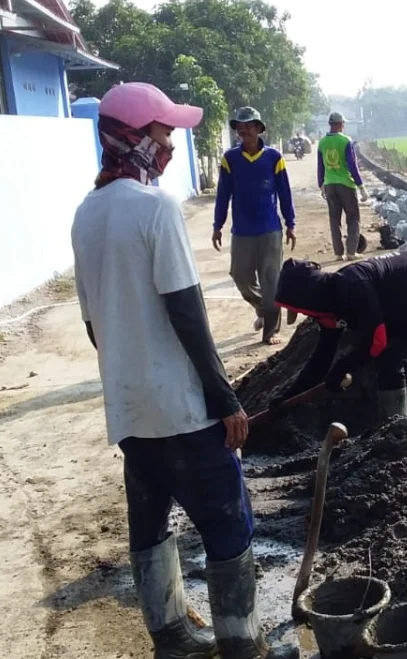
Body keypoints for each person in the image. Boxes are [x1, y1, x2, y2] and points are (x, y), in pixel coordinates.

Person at [71, 83, 294, 659]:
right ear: (137, 137)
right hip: (182, 408)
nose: (171, 142)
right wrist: (226, 399)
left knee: (149, 522)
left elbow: (95, 325)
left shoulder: (86, 214)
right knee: (227, 524)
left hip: (128, 409)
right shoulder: (155, 209)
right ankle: (243, 645)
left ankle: (170, 638)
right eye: (164, 131)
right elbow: (187, 313)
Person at [271, 251, 407, 431]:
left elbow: (377, 340)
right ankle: (397, 432)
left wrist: (343, 367)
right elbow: (322, 357)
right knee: (389, 364)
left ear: (307, 297)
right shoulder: (328, 304)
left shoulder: (353, 286)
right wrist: (288, 397)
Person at [213, 106, 296, 346]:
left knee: (271, 280)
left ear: (259, 129)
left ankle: (271, 331)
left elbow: (284, 193)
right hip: (242, 231)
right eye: (239, 126)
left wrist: (290, 223)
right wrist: (217, 225)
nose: (243, 130)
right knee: (241, 277)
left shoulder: (274, 158)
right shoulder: (230, 159)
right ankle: (262, 307)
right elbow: (223, 194)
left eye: (248, 126)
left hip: (270, 229)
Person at [317, 112, 369, 261]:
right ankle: (351, 251)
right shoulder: (346, 141)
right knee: (353, 218)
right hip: (346, 183)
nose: (344, 125)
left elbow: (320, 166)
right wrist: (361, 187)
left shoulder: (322, 143)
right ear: (340, 124)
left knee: (334, 219)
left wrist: (321, 184)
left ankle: (338, 253)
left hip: (329, 184)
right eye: (343, 123)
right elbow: (353, 166)